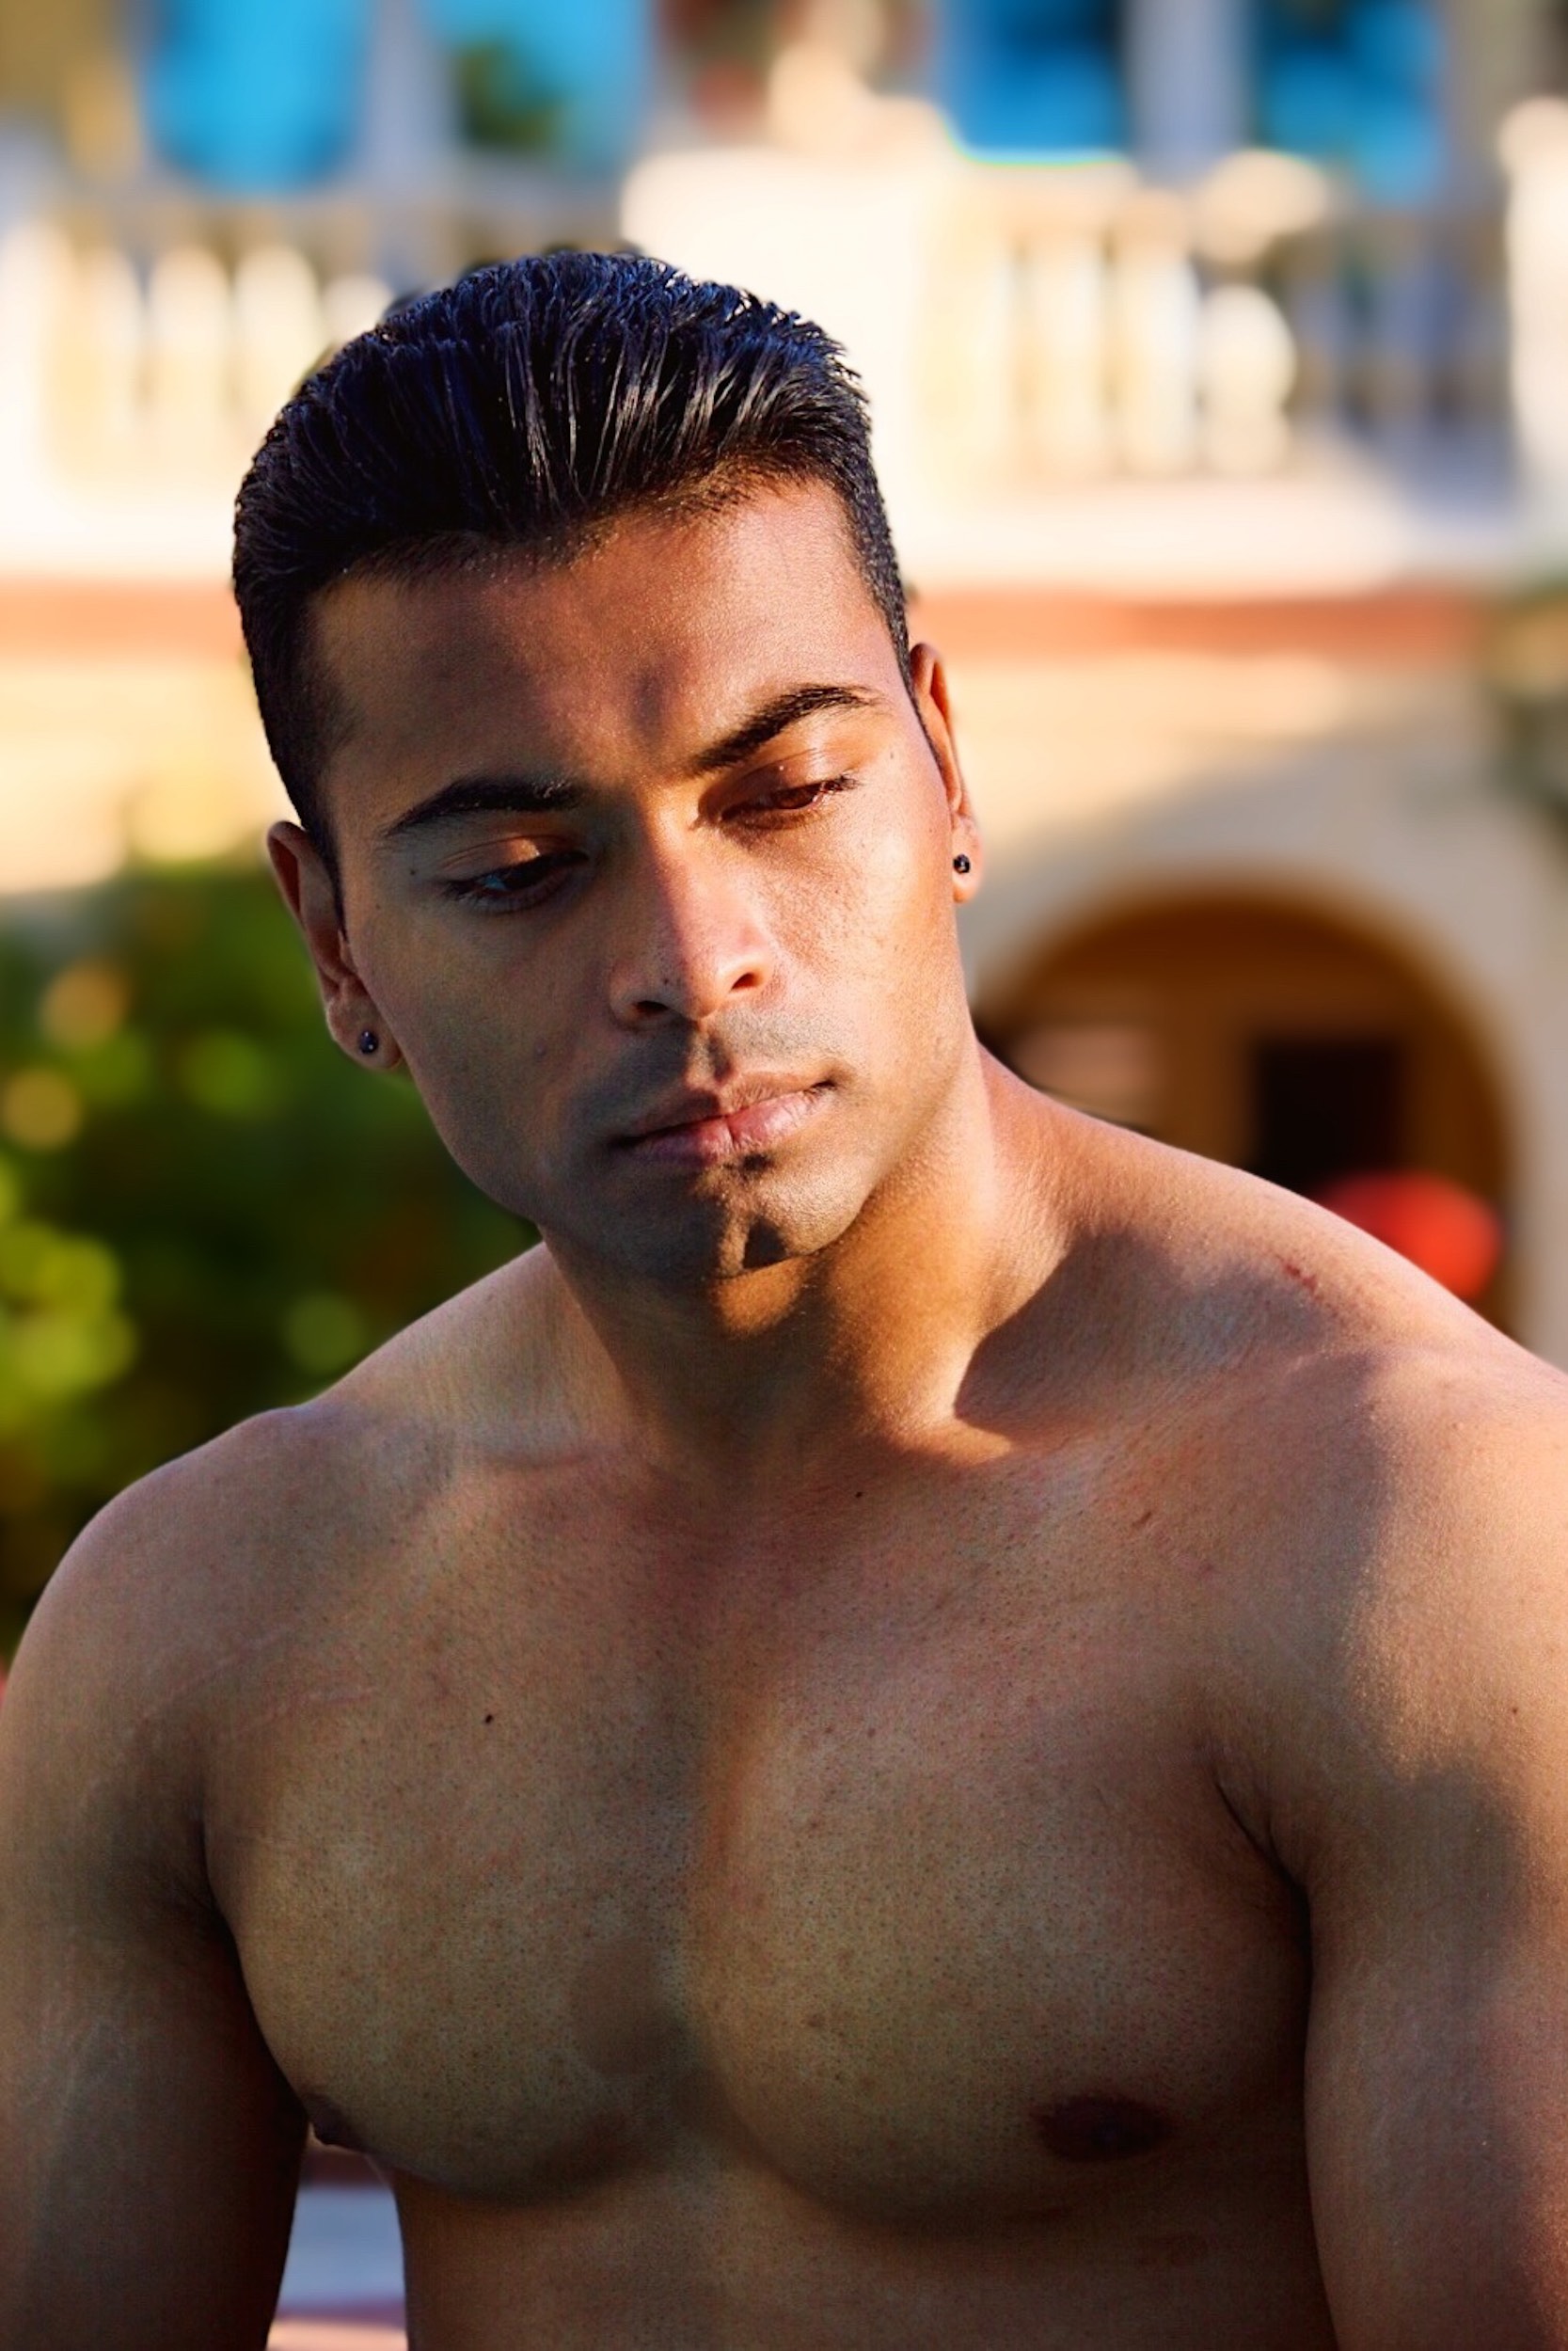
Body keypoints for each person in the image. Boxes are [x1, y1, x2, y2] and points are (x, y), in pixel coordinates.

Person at [3, 251, 1567, 2351]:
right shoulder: (206, 1625)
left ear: (941, 762)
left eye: (783, 786)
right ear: (340, 943)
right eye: (519, 867)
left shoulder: (1417, 1541)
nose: (692, 951)